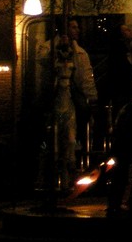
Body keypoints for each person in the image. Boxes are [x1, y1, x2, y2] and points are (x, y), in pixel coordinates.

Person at [37, 17, 99, 188]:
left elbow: (86, 77)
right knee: (43, 118)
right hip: (53, 91)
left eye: (77, 27)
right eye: (73, 27)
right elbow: (41, 59)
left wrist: (91, 97)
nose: (77, 30)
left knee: (81, 111)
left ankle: (76, 146)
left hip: (71, 90)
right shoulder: (48, 47)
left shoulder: (80, 53)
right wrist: (58, 46)